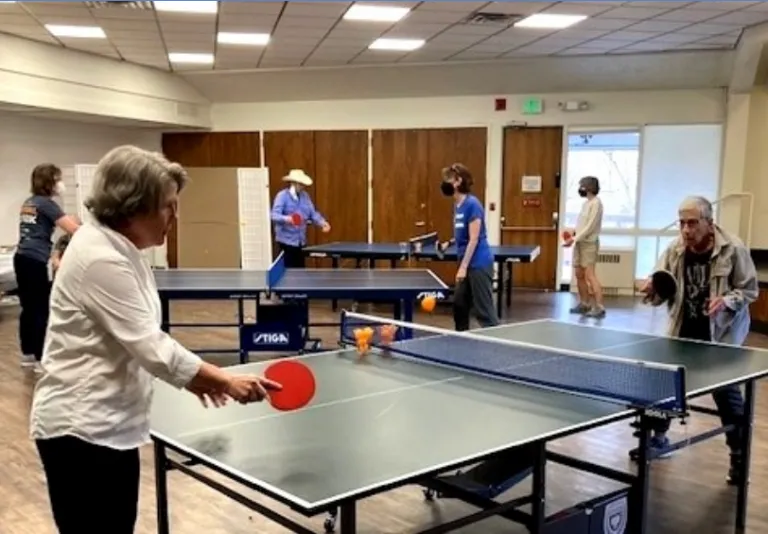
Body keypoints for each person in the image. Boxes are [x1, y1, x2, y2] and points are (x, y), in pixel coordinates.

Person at [30, 145, 282, 534]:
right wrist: (224, 380)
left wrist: (198, 378)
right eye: (168, 205)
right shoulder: (100, 257)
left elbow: (144, 341)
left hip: (112, 426)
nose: (176, 216)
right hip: (80, 432)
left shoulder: (122, 248)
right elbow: (152, 346)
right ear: (133, 206)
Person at [639, 195, 757, 485]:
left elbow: (750, 290)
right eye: (682, 223)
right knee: (665, 385)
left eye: (693, 223)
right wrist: (651, 290)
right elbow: (661, 291)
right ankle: (659, 439)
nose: (686, 229)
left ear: (709, 222)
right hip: (683, 331)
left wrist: (727, 301)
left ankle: (738, 459)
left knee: (727, 397)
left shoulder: (734, 249)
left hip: (720, 337)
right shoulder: (675, 250)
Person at [14, 164, 80, 371]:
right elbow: (72, 229)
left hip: (21, 257)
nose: (61, 184)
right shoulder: (47, 204)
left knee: (28, 307)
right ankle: (42, 358)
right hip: (35, 260)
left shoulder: (30, 202)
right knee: (41, 308)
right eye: (58, 179)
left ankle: (28, 354)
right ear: (50, 181)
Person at [439, 163, 499, 331]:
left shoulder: (473, 204)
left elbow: (474, 239)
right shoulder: (457, 205)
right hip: (466, 262)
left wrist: (463, 268)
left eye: (449, 179)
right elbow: (463, 234)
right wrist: (449, 243)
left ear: (458, 182)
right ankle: (462, 341)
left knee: (484, 312)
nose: (445, 182)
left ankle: (501, 343)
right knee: (459, 305)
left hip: (478, 264)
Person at [270, 169, 330, 268]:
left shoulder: (305, 196)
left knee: (299, 271)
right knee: (287, 274)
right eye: (300, 184)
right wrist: (288, 219)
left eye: (303, 184)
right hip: (286, 243)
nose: (302, 186)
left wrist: (322, 222)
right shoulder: (282, 196)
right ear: (293, 183)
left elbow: (312, 213)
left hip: (300, 242)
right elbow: (274, 215)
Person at [564, 176, 605, 318]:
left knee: (590, 275)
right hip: (579, 243)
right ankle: (584, 304)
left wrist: (574, 238)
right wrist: (573, 236)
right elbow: (581, 225)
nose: (580, 189)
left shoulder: (596, 204)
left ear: (588, 187)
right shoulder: (585, 204)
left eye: (582, 186)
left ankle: (599, 307)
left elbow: (589, 227)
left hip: (589, 243)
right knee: (579, 274)